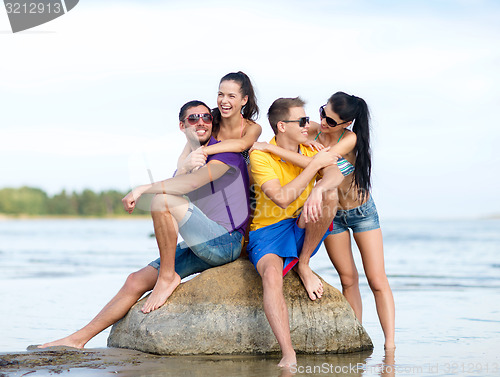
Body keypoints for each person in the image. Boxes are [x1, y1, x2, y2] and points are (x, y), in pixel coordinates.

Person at [39, 100, 250, 349]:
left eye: (205, 117)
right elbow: (181, 189)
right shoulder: (192, 158)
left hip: (226, 241)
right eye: (193, 118)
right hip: (204, 241)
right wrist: (183, 167)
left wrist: (142, 188)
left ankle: (168, 277)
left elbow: (187, 187)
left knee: (161, 200)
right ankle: (77, 340)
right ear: (182, 126)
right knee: (134, 280)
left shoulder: (223, 153)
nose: (201, 121)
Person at [249, 92, 395, 350]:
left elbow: (325, 165)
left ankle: (390, 346)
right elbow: (298, 141)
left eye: (331, 120)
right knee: (348, 278)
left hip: (360, 210)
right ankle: (356, 335)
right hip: (331, 213)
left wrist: (272, 148)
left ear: (346, 124)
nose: (322, 122)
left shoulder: (348, 138)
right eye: (321, 113)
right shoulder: (311, 129)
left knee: (376, 279)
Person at [246, 97, 351, 367]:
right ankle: (288, 352)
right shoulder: (260, 154)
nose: (309, 125)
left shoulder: (308, 146)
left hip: (302, 224)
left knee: (329, 196)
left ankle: (303, 264)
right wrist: (315, 166)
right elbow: (281, 197)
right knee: (271, 275)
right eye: (302, 121)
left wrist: (318, 187)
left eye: (307, 120)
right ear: (282, 126)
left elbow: (336, 176)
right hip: (267, 230)